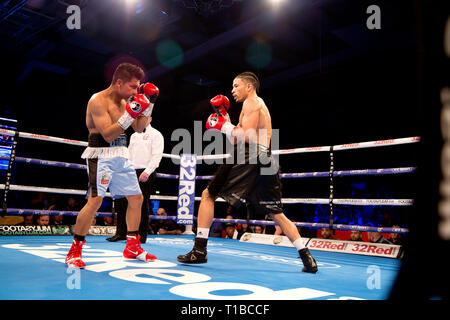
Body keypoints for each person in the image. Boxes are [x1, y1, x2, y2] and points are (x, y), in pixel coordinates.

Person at [177, 71, 318, 273]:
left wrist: (223, 125)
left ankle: (199, 250)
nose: (232, 90)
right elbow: (237, 136)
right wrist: (225, 120)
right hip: (265, 159)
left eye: (236, 86)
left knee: (208, 194)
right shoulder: (253, 107)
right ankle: (307, 258)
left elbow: (248, 138)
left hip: (249, 156)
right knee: (276, 213)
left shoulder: (251, 103)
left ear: (249, 87)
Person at [65, 62, 160, 269]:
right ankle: (75, 250)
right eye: (134, 86)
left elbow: (140, 128)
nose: (137, 90)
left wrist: (149, 103)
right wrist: (131, 113)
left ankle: (132, 246)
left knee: (136, 199)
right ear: (119, 82)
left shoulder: (127, 99)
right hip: (101, 154)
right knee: (95, 201)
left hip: (122, 154)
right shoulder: (98, 100)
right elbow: (108, 134)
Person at [107, 116, 164, 243]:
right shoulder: (133, 135)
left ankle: (141, 235)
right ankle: (121, 233)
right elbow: (129, 154)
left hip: (145, 171)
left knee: (142, 204)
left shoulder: (156, 134)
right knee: (121, 202)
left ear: (150, 119)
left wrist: (147, 172)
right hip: (130, 170)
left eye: (143, 118)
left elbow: (157, 156)